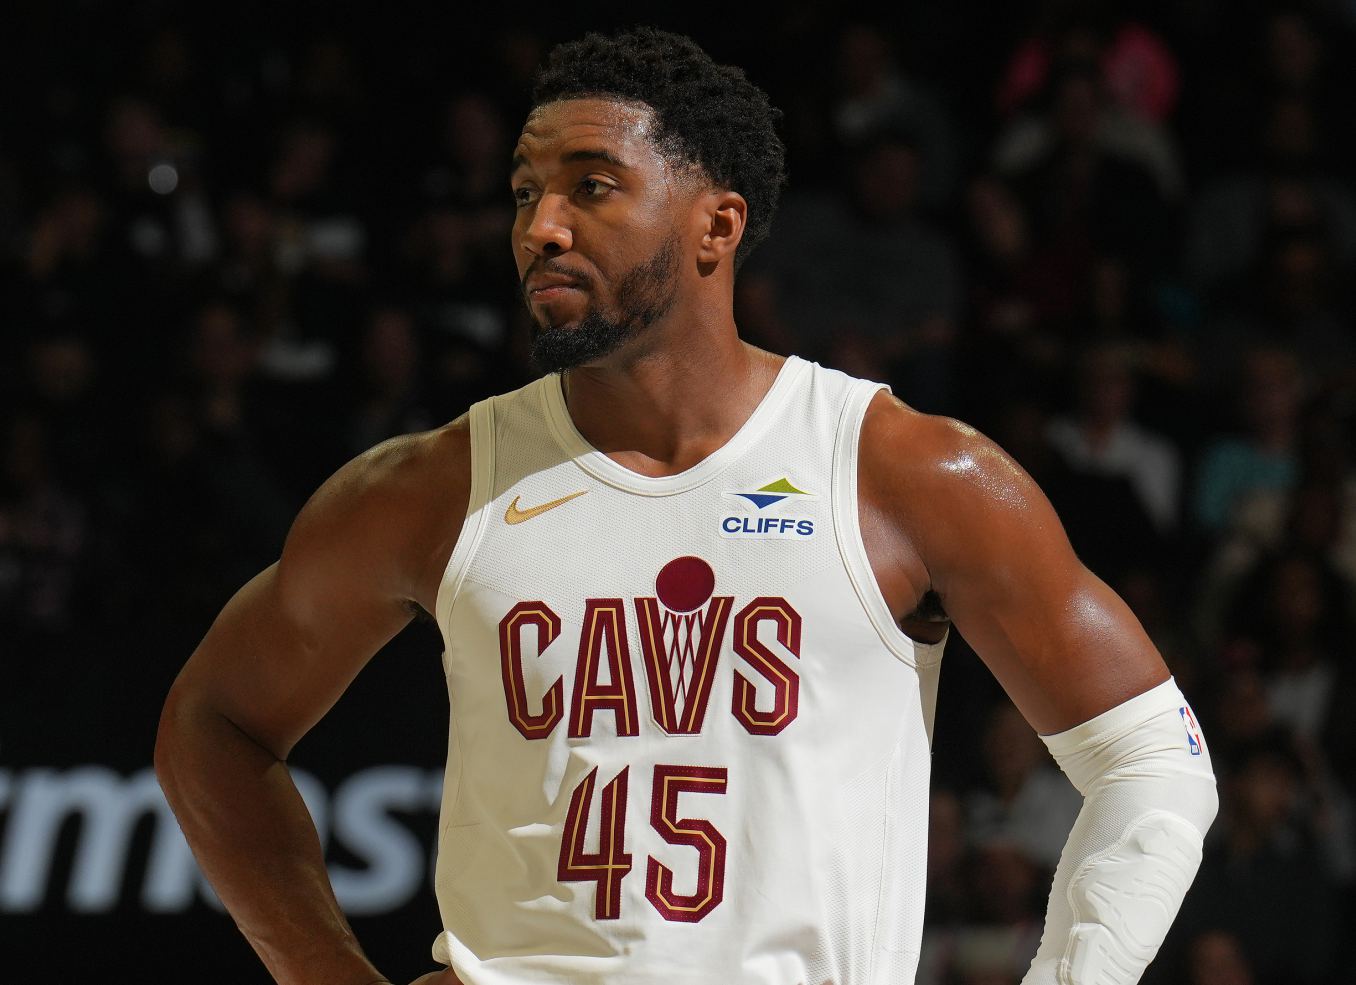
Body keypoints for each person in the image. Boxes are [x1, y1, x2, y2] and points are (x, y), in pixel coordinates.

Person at [154, 28, 1218, 985]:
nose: (541, 227)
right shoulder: (433, 485)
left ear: (717, 225)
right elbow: (215, 723)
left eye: (591, 186)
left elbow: (1153, 762)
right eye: (524, 191)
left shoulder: (902, 470)